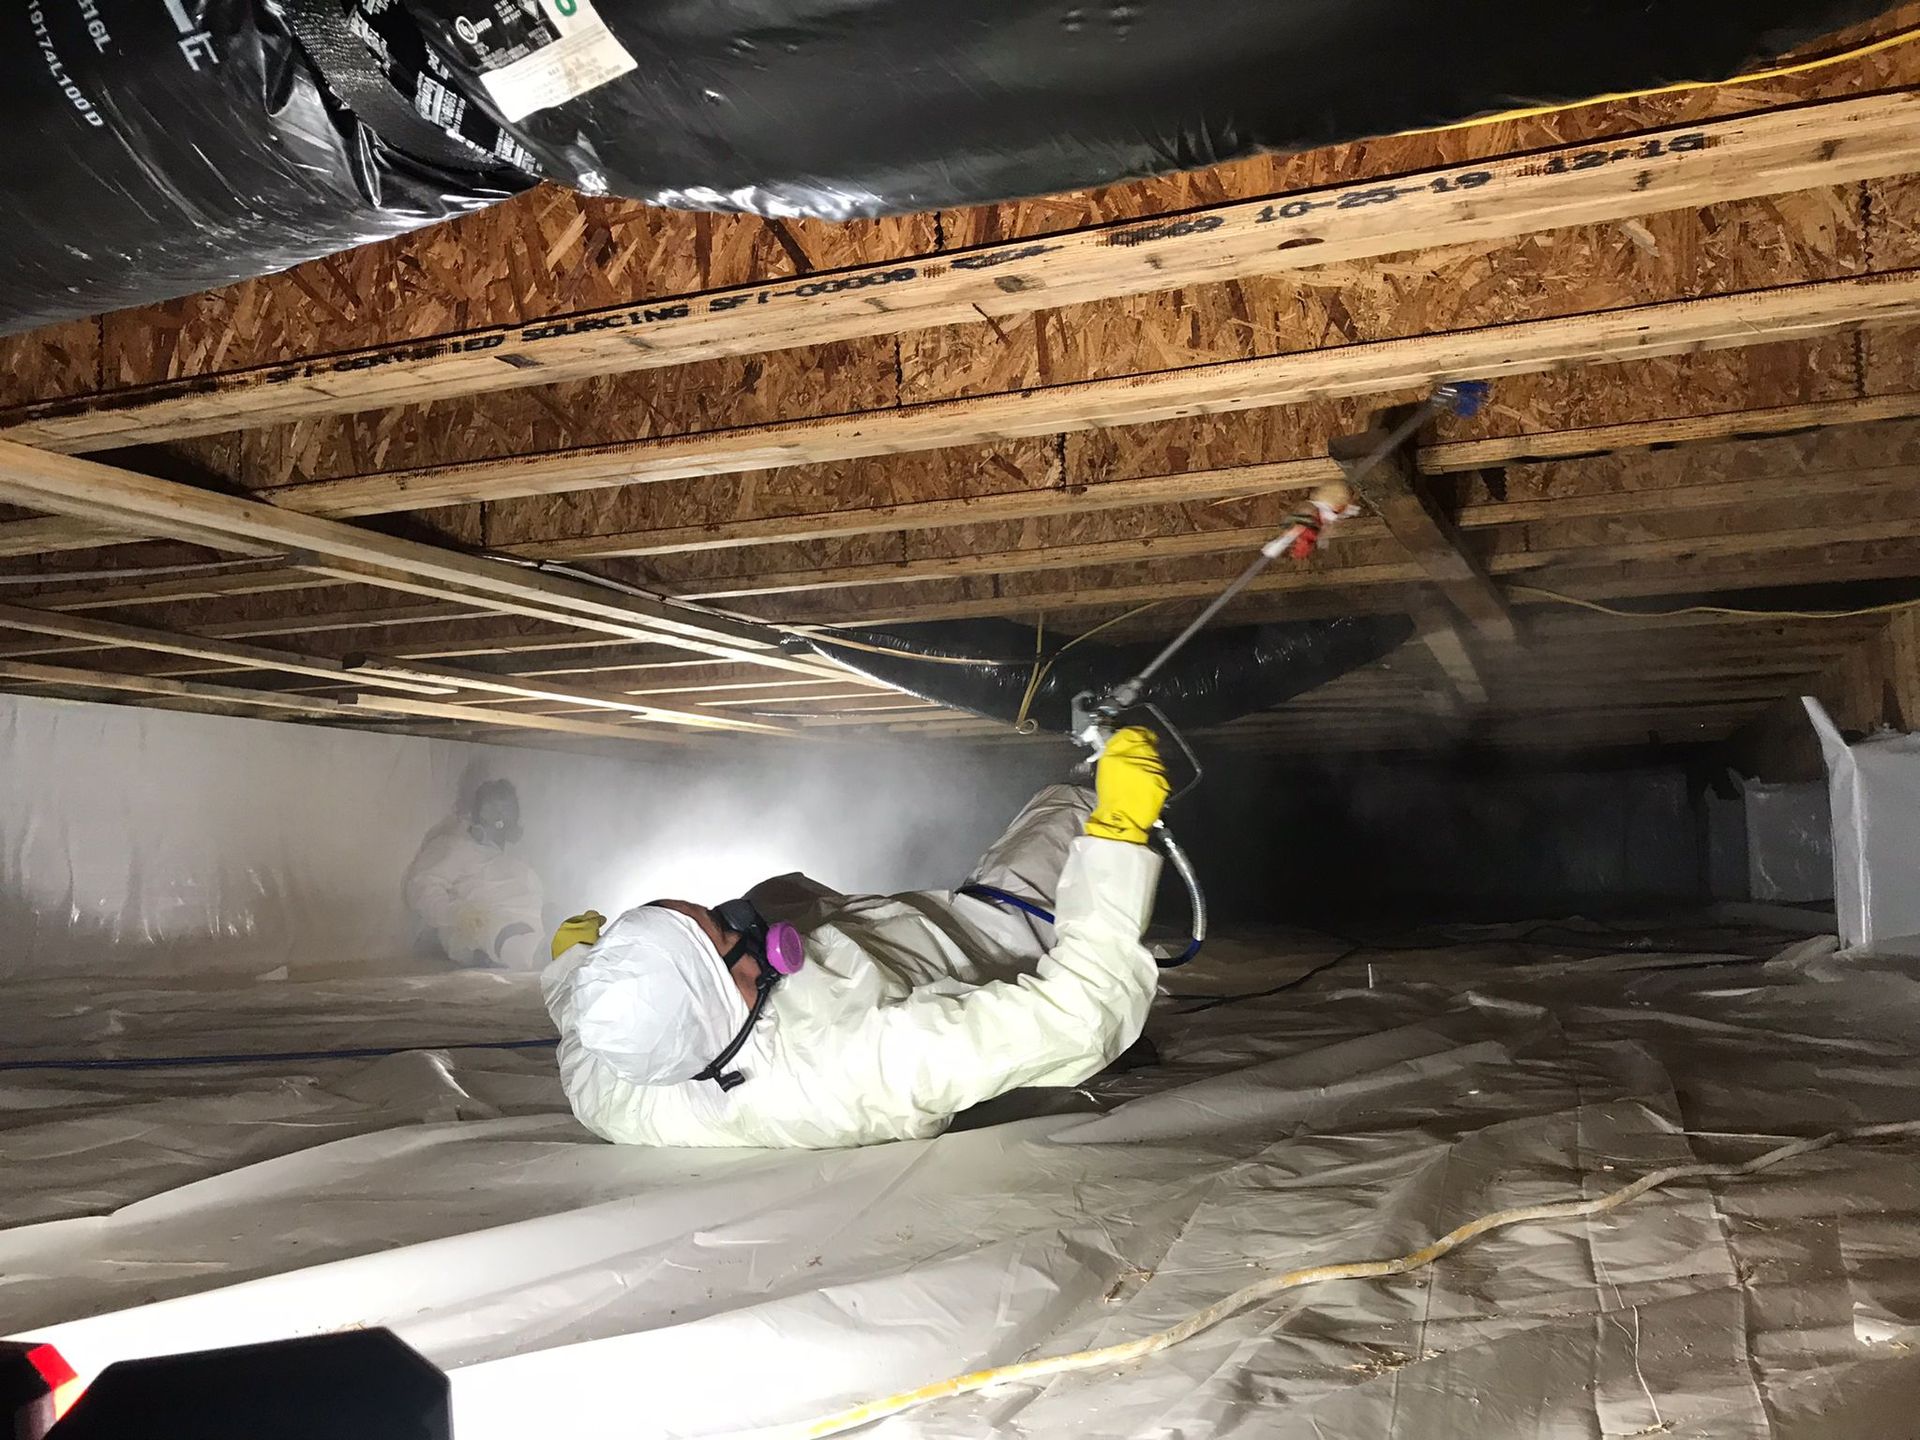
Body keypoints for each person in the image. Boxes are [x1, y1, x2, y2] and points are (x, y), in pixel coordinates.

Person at [543, 728, 1171, 1148]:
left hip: (870, 929)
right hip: (998, 932)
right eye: (724, 926)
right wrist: (1117, 839)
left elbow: (583, 1020)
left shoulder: (615, 1089)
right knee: (1066, 800)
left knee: (776, 889)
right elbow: (1084, 1013)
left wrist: (575, 960)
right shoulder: (866, 1064)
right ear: (736, 981)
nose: (736, 915)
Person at [404, 778, 548, 971]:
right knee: (501, 933)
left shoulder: (518, 862)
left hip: (536, 924)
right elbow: (422, 886)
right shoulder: (454, 846)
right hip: (483, 926)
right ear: (480, 812)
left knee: (564, 933)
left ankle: (561, 949)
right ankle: (540, 955)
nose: (503, 816)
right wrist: (456, 913)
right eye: (496, 809)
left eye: (508, 809)